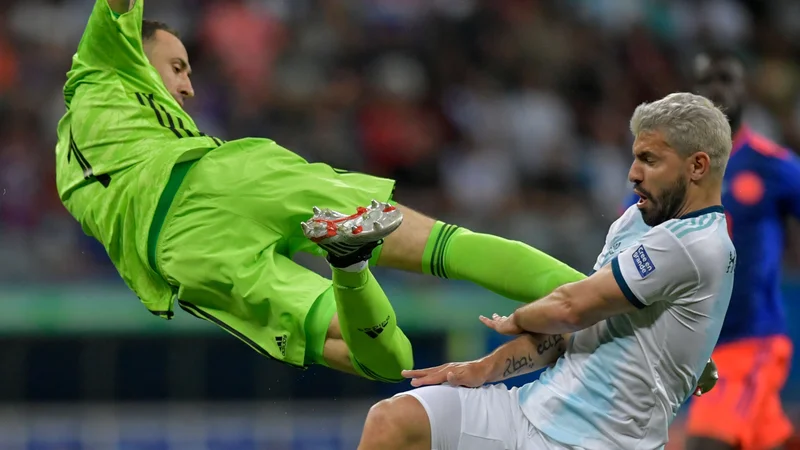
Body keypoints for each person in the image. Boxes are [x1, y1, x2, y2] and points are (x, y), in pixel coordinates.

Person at [55, 0, 590, 383]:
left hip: (190, 259)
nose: (189, 86)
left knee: (381, 363)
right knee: (446, 245)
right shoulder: (100, 67)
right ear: (128, 49)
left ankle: (350, 266)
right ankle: (611, 299)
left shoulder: (76, 159)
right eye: (177, 67)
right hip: (220, 180)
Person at [357, 92, 736, 450]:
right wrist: (482, 369)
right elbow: (574, 329)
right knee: (394, 421)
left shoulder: (698, 244)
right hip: (531, 410)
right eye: (635, 157)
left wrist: (518, 318)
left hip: (602, 440)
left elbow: (568, 309)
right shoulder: (635, 221)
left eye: (650, 160)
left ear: (697, 165)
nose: (633, 174)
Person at [621, 49, 800, 450]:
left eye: (727, 79)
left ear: (744, 89)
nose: (717, 90)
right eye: (707, 81)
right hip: (699, 343)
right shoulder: (673, 166)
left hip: (750, 340)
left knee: (706, 442)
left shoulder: (771, 165)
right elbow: (631, 226)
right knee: (770, 440)